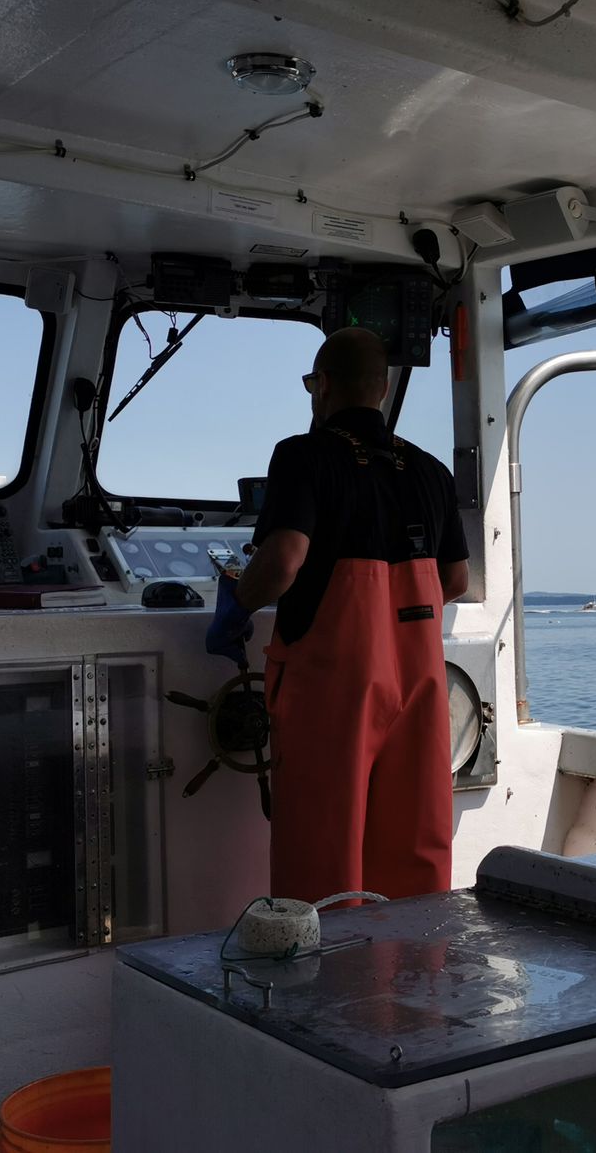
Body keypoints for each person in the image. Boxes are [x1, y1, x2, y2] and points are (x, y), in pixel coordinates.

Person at [206, 327, 470, 903]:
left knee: (322, 855)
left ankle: (325, 986)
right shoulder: (430, 471)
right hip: (420, 691)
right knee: (414, 851)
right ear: (381, 389)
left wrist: (236, 605)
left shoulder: (302, 456)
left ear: (321, 385)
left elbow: (282, 562)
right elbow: (455, 581)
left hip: (335, 690)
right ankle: (414, 979)